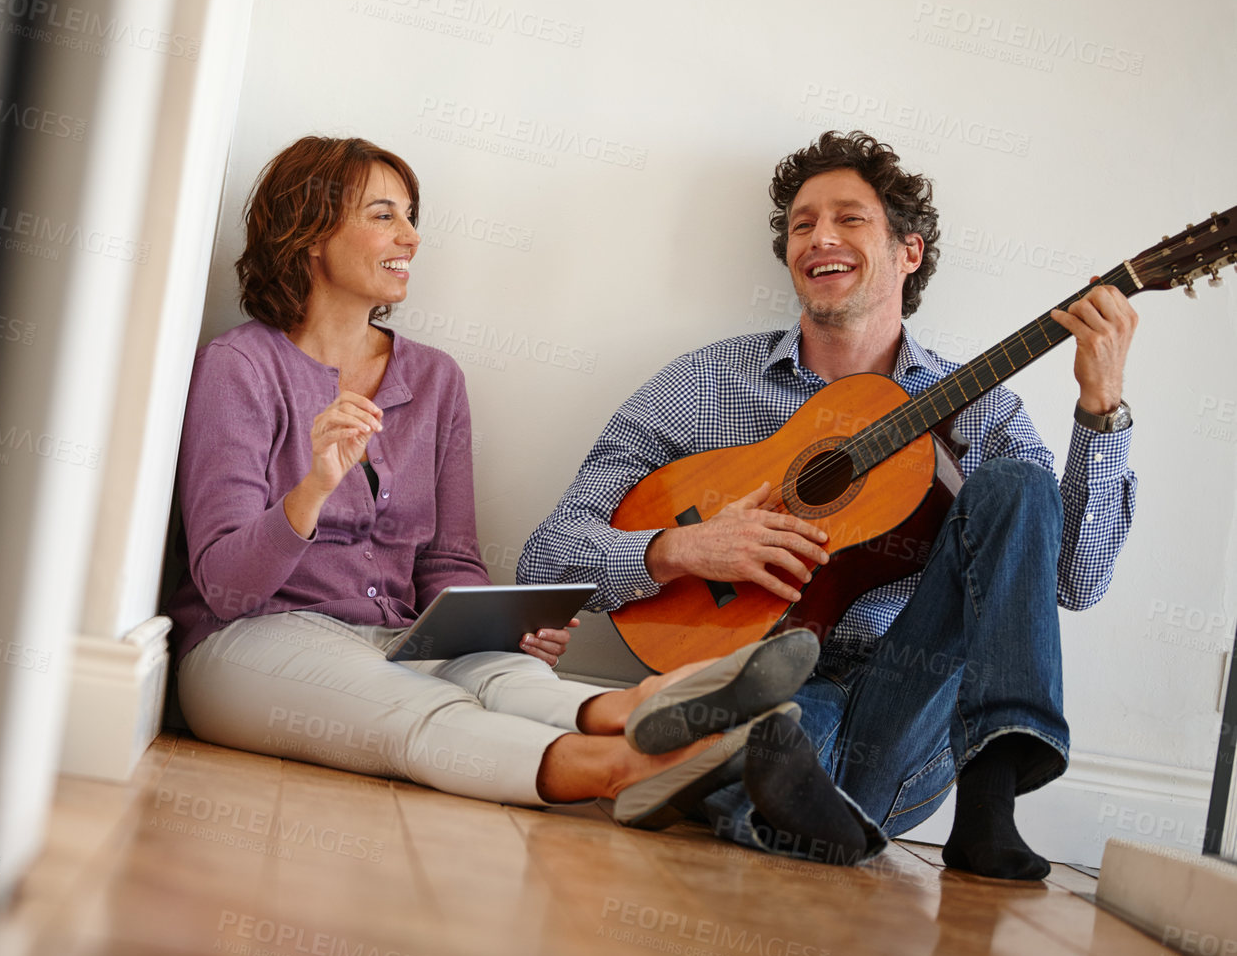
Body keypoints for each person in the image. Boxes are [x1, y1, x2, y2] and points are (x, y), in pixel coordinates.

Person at [519, 130, 1138, 878]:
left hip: (908, 700)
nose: (820, 238)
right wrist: (682, 548)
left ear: (909, 252)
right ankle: (769, 794)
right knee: (772, 738)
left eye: (850, 218)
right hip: (759, 681)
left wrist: (1101, 412)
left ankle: (990, 795)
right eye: (803, 223)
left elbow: (1072, 581)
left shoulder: (984, 410)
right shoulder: (705, 385)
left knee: (1018, 484)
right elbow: (546, 557)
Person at [166, 136, 822, 819]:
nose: (412, 237)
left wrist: (497, 625)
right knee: (416, 709)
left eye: (412, 215)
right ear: (308, 234)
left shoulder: (434, 378)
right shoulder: (238, 368)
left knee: (508, 675)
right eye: (384, 214)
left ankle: (645, 705)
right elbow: (225, 586)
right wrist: (313, 489)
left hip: (396, 636)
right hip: (249, 643)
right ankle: (622, 768)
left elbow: (449, 558)